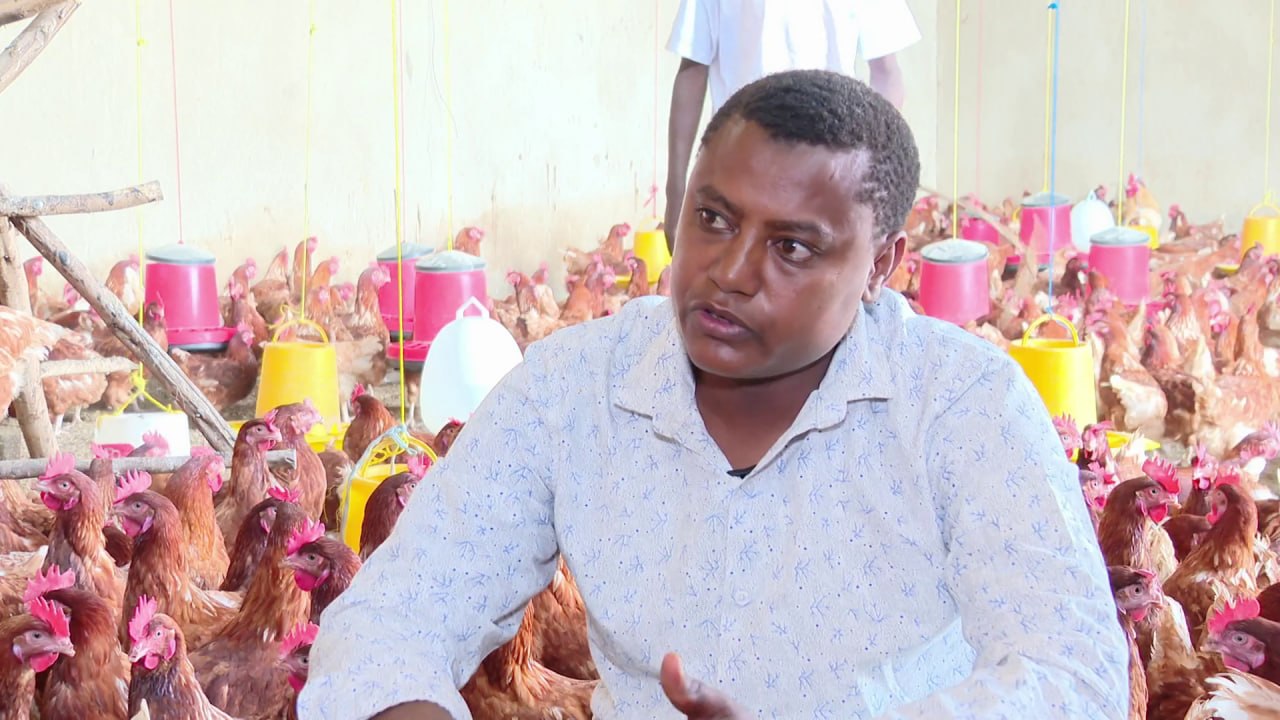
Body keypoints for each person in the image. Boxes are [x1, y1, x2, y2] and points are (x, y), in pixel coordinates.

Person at [300, 70, 1129, 720]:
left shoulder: (964, 408)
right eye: (714, 219)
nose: (731, 272)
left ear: (881, 264)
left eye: (793, 247)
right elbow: (389, 622)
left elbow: (1071, 675)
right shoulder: (572, 391)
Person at [664, 0, 922, 252]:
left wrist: (869, 181)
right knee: (733, 266)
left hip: (827, 174)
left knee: (806, 265)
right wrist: (675, 193)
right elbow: (693, 67)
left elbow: (887, 75)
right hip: (741, 165)